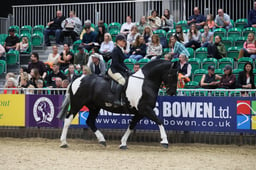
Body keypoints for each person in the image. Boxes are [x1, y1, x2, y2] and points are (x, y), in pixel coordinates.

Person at [108, 34, 130, 106]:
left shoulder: (121, 49)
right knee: (122, 81)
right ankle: (116, 99)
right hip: (113, 70)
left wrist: (127, 69)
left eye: (125, 41)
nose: (124, 43)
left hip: (118, 69)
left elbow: (121, 62)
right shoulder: (115, 50)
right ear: (118, 41)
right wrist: (125, 70)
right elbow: (116, 63)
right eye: (123, 41)